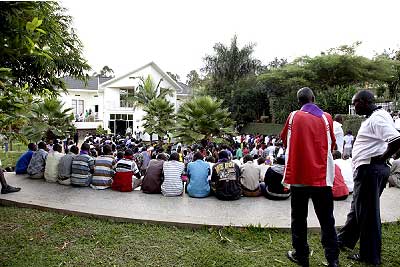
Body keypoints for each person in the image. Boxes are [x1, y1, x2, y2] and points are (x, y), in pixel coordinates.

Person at [337, 90, 400, 266]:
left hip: (370, 169)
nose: (353, 106)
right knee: (359, 208)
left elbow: (396, 139)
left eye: (355, 102)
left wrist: (382, 157)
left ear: (364, 101)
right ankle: (343, 240)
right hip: (370, 169)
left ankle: (370, 256)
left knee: (368, 214)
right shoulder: (378, 116)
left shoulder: (377, 118)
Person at [280, 87, 338, 267]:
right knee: (327, 219)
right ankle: (332, 259)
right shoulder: (327, 118)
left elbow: (284, 140)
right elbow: (333, 145)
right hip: (322, 178)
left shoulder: (293, 117)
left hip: (299, 176)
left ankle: (301, 255)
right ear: (313, 98)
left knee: (298, 219)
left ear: (299, 101)